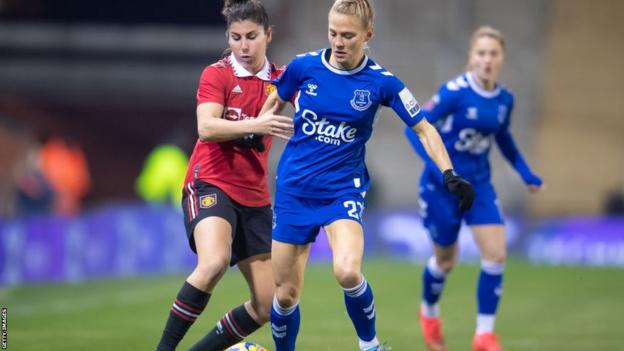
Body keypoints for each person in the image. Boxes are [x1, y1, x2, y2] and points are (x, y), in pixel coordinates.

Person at [257, 1, 474, 350]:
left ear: (367, 35)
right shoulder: (303, 67)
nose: (338, 42)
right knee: (284, 296)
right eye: (333, 33)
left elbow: (424, 129)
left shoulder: (381, 83)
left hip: (343, 191)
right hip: (295, 191)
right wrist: (255, 130)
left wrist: (449, 172)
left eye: (347, 35)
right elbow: (271, 105)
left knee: (347, 271)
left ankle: (370, 346)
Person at [155, 1, 293, 350]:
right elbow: (206, 127)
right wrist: (257, 124)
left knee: (266, 304)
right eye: (235, 37)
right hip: (210, 180)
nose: (243, 47)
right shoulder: (217, 74)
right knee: (214, 262)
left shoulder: (282, 80)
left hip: (255, 195)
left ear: (268, 35)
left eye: (251, 37)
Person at [404, 26, 545, 351]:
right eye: (481, 53)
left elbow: (504, 138)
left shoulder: (504, 99)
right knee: (445, 261)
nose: (486, 60)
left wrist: (526, 173)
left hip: (479, 186)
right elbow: (415, 130)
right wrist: (443, 172)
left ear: (501, 59)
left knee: (496, 255)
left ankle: (484, 335)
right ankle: (429, 313)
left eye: (493, 54)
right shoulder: (454, 92)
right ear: (471, 57)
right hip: (441, 188)